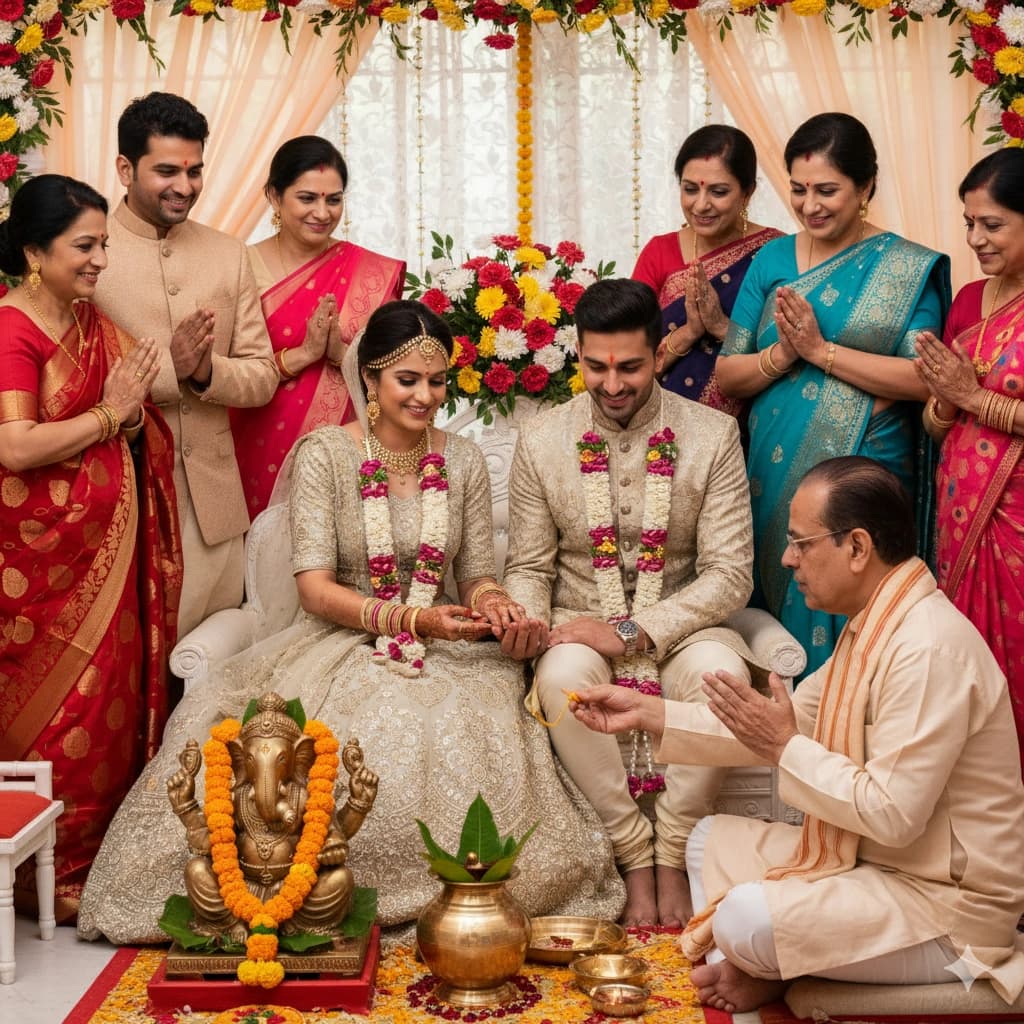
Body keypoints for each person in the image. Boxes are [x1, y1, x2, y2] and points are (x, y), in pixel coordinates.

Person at [77, 300, 625, 945]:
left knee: (467, 726)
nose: (426, 397)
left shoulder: (465, 461)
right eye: (408, 380)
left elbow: (475, 573)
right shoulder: (327, 457)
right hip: (340, 640)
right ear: (370, 380)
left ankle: (463, 901)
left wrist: (495, 603)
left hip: (447, 645)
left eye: (437, 381)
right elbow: (312, 590)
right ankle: (311, 901)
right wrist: (411, 618)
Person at [571, 457, 1024, 1014]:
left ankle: (766, 974)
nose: (788, 559)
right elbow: (765, 728)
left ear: (857, 548)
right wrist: (647, 712)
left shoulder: (927, 647)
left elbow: (891, 814)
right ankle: (764, 973)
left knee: (744, 918)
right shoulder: (874, 627)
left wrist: (787, 747)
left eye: (800, 543)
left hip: (945, 907)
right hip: (872, 869)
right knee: (709, 839)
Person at [501, 278, 756, 929]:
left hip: (683, 627)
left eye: (630, 367)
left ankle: (673, 854)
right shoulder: (542, 441)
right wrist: (529, 618)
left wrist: (634, 631)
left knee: (720, 679)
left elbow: (730, 575)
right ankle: (633, 854)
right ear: (578, 355)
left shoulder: (712, 434)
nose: (612, 383)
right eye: (596, 365)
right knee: (560, 682)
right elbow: (529, 566)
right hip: (577, 630)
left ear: (660, 356)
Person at [0, 175, 182, 922]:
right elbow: (15, 448)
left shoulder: (88, 320)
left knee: (106, 698)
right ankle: (42, 868)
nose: (102, 258)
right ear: (36, 252)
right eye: (86, 245)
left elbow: (131, 420)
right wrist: (112, 417)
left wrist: (131, 421)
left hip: (105, 556)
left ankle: (91, 860)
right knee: (53, 707)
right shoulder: (12, 330)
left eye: (104, 242)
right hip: (37, 569)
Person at [716, 112, 949, 677]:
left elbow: (924, 377)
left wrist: (823, 353)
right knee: (787, 589)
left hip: (870, 462)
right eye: (798, 190)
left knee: (859, 592)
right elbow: (729, 374)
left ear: (865, 186)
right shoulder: (770, 262)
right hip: (772, 470)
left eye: (827, 190)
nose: (810, 205)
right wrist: (783, 356)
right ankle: (788, 730)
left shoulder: (906, 267)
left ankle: (858, 729)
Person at [93, 91, 277, 638]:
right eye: (167, 170)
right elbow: (72, 382)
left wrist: (203, 372)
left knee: (210, 662)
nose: (185, 186)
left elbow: (262, 375)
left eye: (195, 170)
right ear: (125, 168)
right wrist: (170, 370)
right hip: (121, 499)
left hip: (212, 509)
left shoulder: (227, 253)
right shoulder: (87, 252)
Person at [915, 148, 1024, 777]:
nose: (975, 239)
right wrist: (949, 405)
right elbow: (936, 422)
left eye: (993, 224)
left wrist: (971, 396)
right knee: (965, 677)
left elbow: (965, 399)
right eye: (969, 223)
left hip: (1016, 525)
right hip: (961, 520)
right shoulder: (968, 301)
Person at [231, 136, 405, 518]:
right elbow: (226, 370)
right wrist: (304, 354)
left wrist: (340, 354)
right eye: (307, 198)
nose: (322, 212)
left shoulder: (369, 274)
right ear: (275, 197)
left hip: (342, 447)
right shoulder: (239, 266)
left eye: (334, 199)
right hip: (255, 443)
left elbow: (396, 372)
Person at [632, 125, 782, 413]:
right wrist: (689, 332)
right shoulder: (659, 252)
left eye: (719, 191)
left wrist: (723, 328)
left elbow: (788, 354)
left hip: (747, 427)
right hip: (660, 424)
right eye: (690, 189)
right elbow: (630, 354)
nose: (701, 205)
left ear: (747, 192)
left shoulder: (775, 253)